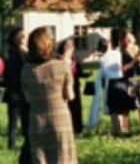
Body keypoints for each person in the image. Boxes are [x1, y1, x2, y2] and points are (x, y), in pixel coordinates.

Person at [21, 27, 77, 163]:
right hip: (60, 121)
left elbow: (27, 98)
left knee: (40, 158)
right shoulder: (62, 66)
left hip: (37, 121)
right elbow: (70, 95)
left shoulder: (27, 70)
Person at [87, 37, 123, 133]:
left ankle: (117, 129)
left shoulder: (102, 59)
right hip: (120, 81)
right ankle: (122, 127)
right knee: (120, 107)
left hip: (111, 83)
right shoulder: (117, 53)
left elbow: (105, 72)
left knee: (113, 108)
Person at [57, 38, 89, 135]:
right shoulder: (59, 59)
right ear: (63, 47)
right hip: (64, 85)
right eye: (68, 45)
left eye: (72, 45)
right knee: (66, 106)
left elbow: (79, 72)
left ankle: (78, 127)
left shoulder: (75, 59)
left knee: (76, 106)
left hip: (75, 84)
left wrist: (86, 74)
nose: (70, 47)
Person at [4, 28, 29, 151]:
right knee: (24, 119)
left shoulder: (10, 53)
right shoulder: (21, 54)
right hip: (20, 91)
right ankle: (23, 143)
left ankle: (11, 143)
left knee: (13, 121)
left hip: (12, 91)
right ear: (20, 40)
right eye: (24, 36)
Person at [120, 30, 140, 133]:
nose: (133, 37)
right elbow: (123, 68)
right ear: (126, 39)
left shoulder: (136, 49)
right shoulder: (123, 52)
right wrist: (134, 60)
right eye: (130, 36)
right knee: (127, 106)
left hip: (137, 79)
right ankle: (124, 128)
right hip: (128, 80)